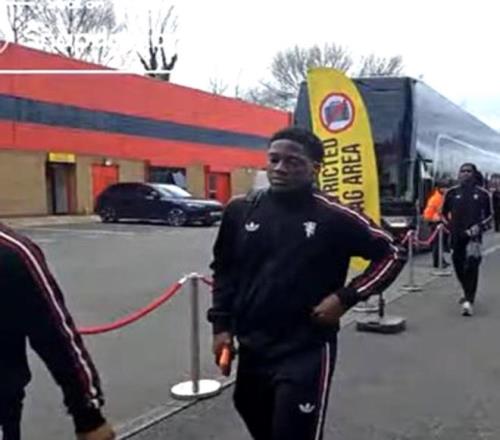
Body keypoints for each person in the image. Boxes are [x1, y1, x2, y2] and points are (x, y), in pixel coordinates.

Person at [207, 127, 406, 440]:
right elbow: (225, 270)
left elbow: (392, 252)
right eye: (274, 159)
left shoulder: (335, 215)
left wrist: (346, 297)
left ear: (315, 168)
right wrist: (221, 327)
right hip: (253, 346)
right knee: (249, 410)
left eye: (293, 162)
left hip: (306, 348)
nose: (280, 168)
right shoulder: (240, 210)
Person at [0, 224, 115, 440]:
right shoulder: (12, 252)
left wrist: (88, 415)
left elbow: (54, 335)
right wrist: (89, 416)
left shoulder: (10, 254)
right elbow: (56, 334)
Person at [441, 163, 493, 317]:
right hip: (456, 236)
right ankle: (466, 290)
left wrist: (479, 227)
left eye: (468, 171)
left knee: (472, 265)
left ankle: (469, 300)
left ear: (474, 174)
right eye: (462, 171)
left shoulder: (483, 194)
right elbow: (442, 214)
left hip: (473, 237)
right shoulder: (451, 193)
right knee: (458, 265)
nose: (465, 174)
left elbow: (490, 216)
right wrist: (449, 226)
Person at [423, 179, 449, 268]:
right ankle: (438, 262)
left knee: (440, 243)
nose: (446, 190)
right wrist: (436, 218)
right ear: (440, 188)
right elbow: (428, 213)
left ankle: (441, 260)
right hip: (436, 223)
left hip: (441, 223)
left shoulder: (442, 197)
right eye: (445, 188)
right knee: (437, 244)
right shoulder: (435, 199)